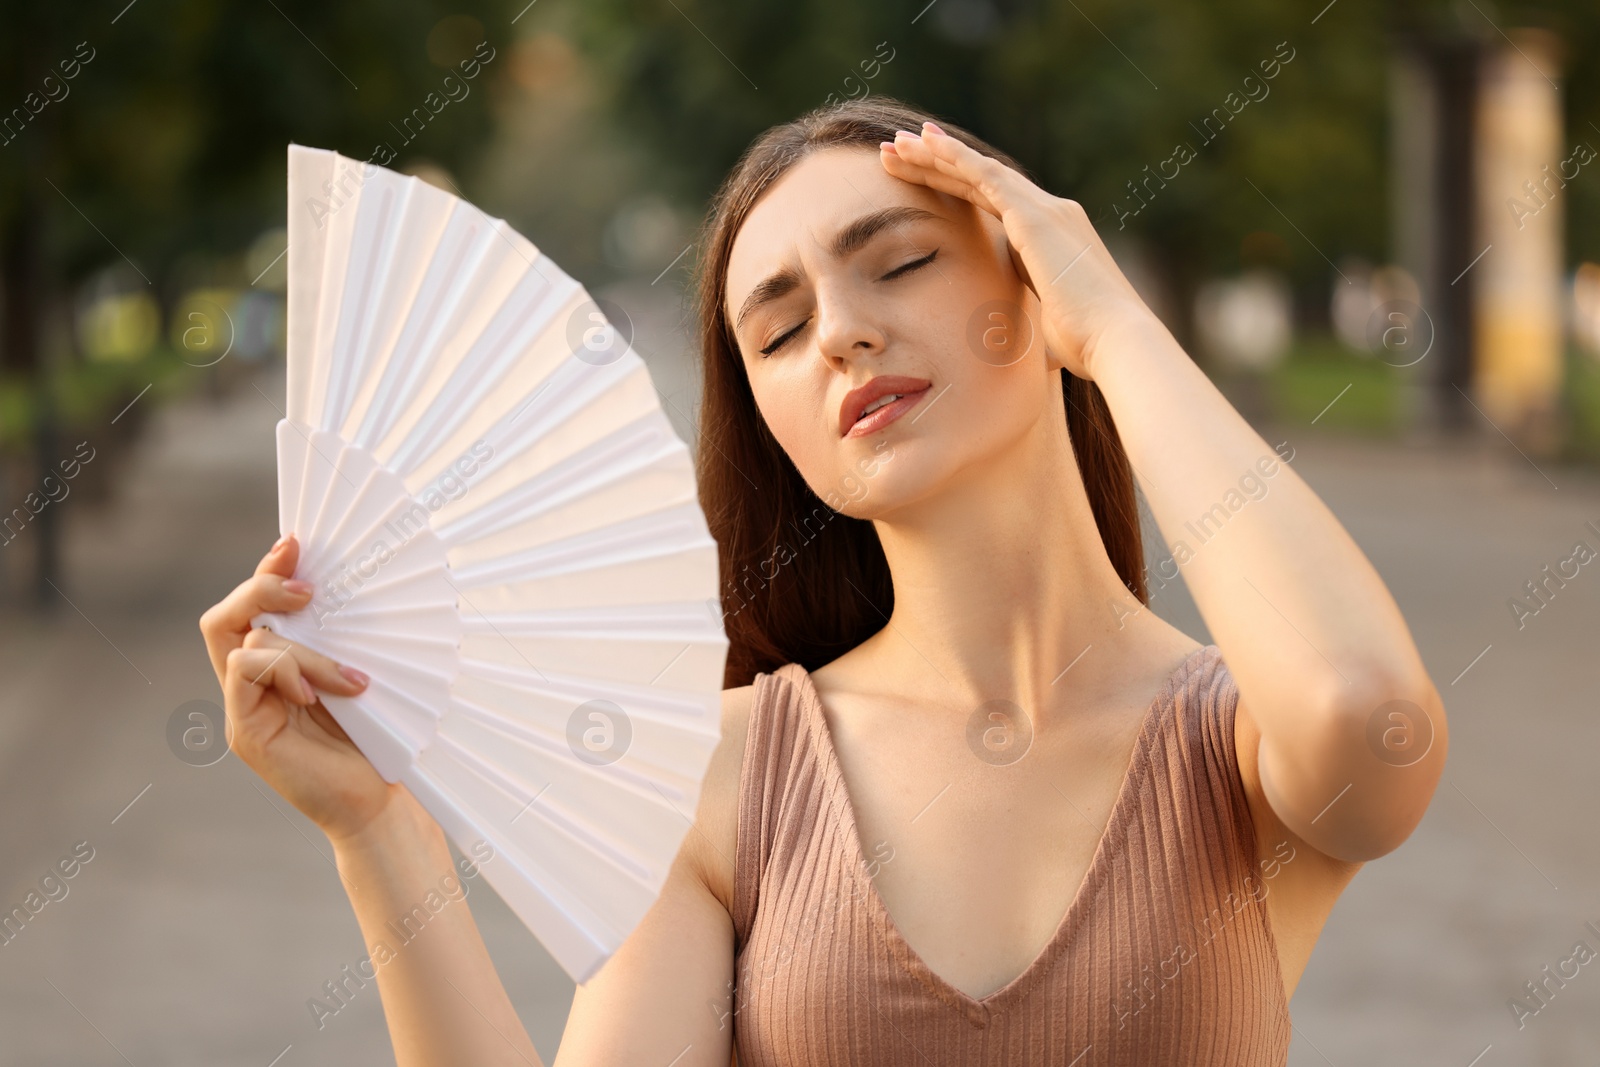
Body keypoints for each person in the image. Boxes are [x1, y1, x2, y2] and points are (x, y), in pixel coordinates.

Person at [199, 96, 1448, 1065]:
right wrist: (377, 831)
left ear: (1035, 275)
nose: (842, 328)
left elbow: (1361, 708)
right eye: (779, 330)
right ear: (771, 418)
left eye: (899, 262)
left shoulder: (1237, 742)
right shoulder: (727, 771)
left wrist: (1116, 331)